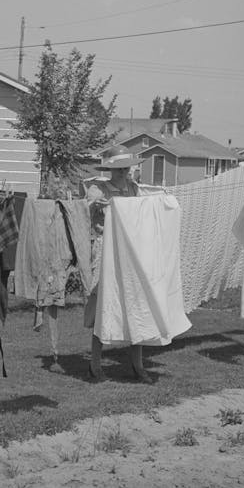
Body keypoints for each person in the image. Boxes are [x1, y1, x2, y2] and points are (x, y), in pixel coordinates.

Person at [83, 145, 151, 383]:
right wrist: (99, 207)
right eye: (119, 169)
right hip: (105, 251)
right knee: (103, 304)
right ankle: (95, 364)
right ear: (111, 170)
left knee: (135, 304)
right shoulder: (97, 189)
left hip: (130, 251)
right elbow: (89, 213)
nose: (123, 172)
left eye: (126, 168)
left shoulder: (134, 188)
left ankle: (137, 364)